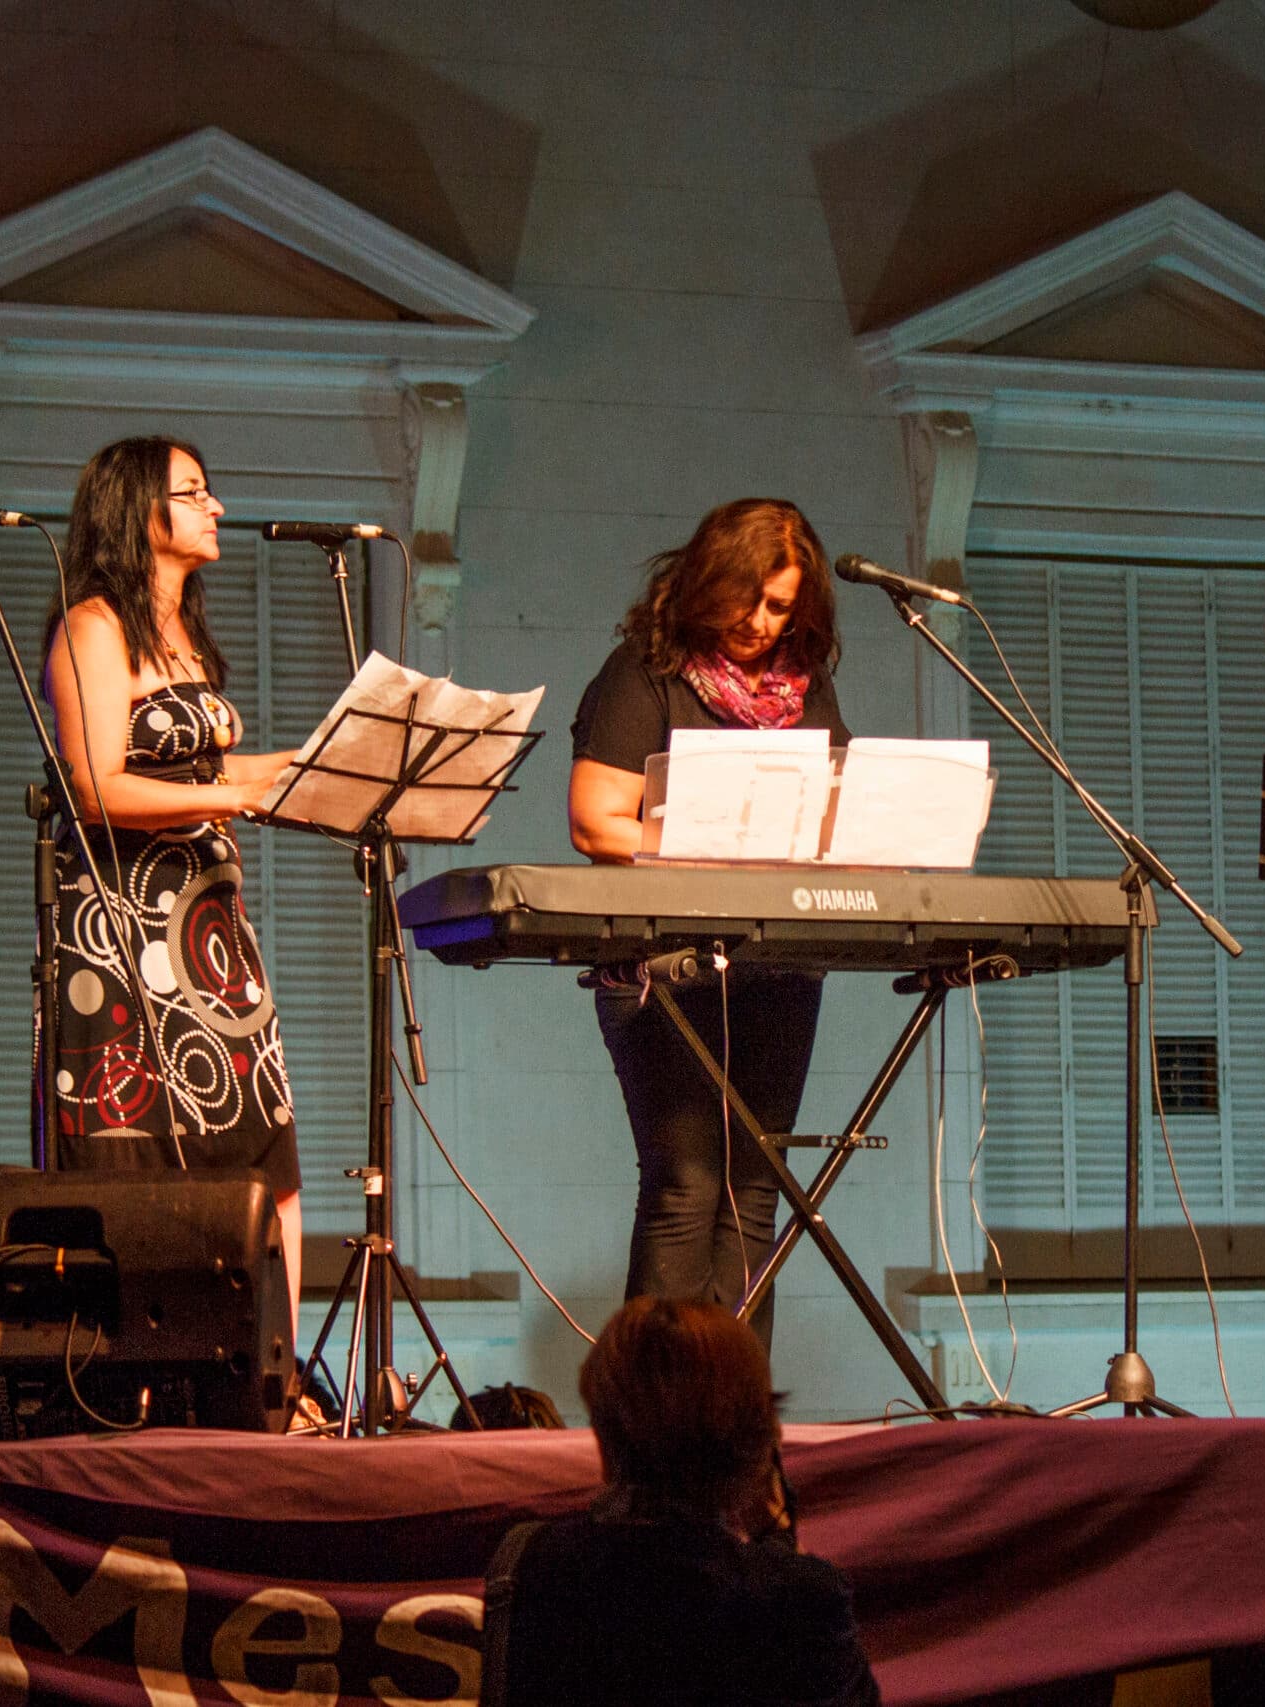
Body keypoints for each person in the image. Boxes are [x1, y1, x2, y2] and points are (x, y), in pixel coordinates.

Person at [566, 499, 848, 1346]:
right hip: (665, 966)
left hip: (777, 963)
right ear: (709, 582)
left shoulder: (805, 685)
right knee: (688, 1184)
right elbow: (594, 822)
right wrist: (718, 842)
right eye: (751, 602)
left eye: (782, 608)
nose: (763, 624)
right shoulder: (644, 672)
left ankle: (733, 1419)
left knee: (756, 1188)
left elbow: (830, 811)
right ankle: (656, 1423)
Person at [41, 436, 305, 1307]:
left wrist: (315, 765)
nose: (215, 506)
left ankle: (278, 1378)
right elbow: (95, 786)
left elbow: (206, 774)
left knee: (265, 1148)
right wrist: (241, 795)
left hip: (209, 932)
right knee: (135, 1159)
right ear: (138, 512)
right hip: (123, 934)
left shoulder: (184, 631)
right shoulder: (94, 626)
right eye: (193, 492)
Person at [480, 1297, 879, 1707]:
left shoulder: (529, 1559)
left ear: (605, 1434)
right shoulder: (801, 1598)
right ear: (754, 1445)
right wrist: (777, 1544)